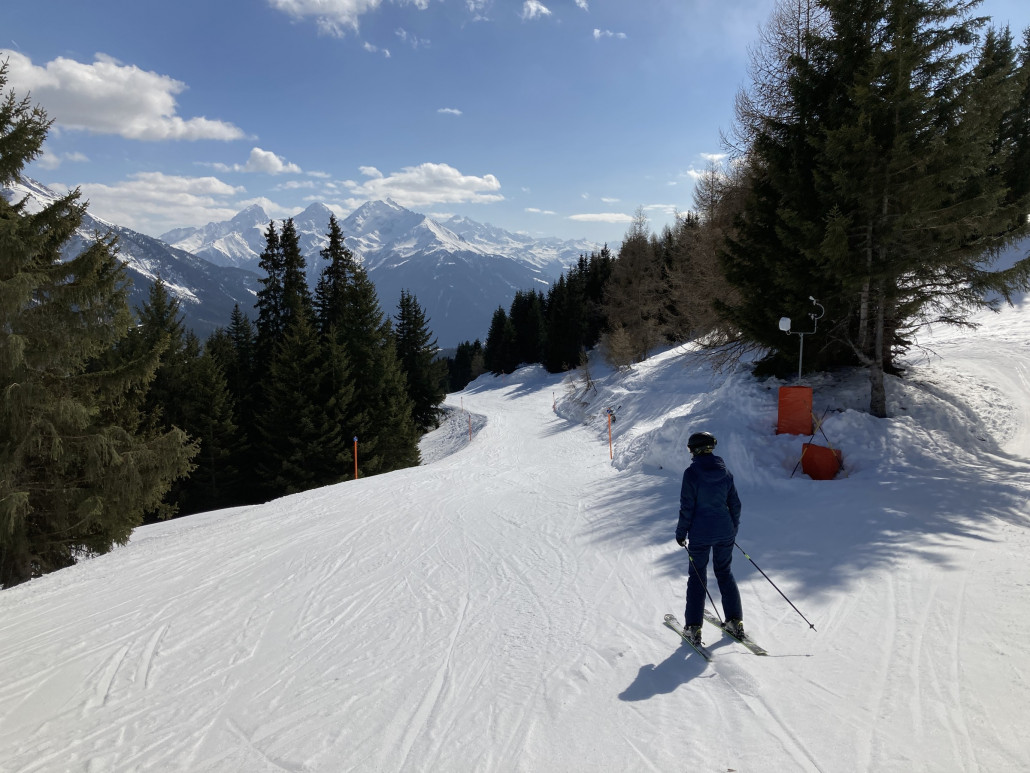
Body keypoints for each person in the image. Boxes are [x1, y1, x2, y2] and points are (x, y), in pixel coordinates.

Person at [675, 431, 743, 646]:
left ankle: (693, 628)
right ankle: (734, 621)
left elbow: (687, 506)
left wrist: (681, 533)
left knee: (697, 577)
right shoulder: (725, 472)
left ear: (694, 449)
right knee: (724, 572)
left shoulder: (692, 473)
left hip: (700, 534)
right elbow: (735, 504)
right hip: (725, 531)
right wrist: (732, 528)